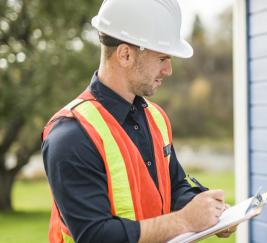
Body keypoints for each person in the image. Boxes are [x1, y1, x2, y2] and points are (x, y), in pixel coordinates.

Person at [41, 0, 236, 242]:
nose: (169, 70)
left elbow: (175, 186)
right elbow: (95, 235)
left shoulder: (156, 118)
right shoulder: (71, 134)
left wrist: (210, 211)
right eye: (162, 58)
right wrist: (184, 221)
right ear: (125, 55)